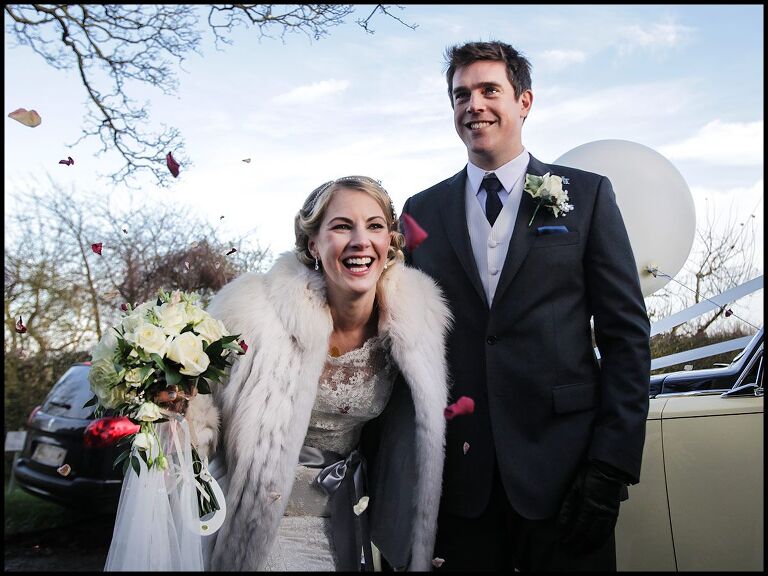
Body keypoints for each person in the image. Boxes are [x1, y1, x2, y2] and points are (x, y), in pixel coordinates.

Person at [401, 41, 651, 571]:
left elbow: (626, 338)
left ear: (524, 101)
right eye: (460, 94)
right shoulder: (421, 210)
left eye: (490, 90)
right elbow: (404, 333)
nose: (475, 105)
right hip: (462, 481)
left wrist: (612, 468)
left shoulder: (587, 196)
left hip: (566, 471)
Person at [181, 175, 452, 571]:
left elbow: (406, 438)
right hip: (261, 525)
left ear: (390, 243)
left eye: (375, 226)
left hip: (353, 521)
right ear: (313, 243)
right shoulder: (251, 313)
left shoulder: (417, 322)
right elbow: (197, 418)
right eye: (342, 226)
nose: (361, 240)